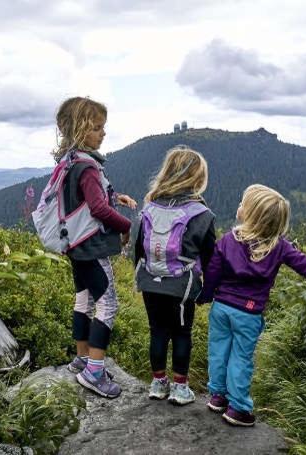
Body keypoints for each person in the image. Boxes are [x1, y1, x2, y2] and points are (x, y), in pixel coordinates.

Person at [198, 184, 306, 426]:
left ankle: (218, 397)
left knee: (218, 351)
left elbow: (213, 272)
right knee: (241, 358)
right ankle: (237, 408)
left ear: (249, 214)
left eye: (242, 204)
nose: (238, 206)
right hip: (248, 313)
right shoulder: (279, 247)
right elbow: (305, 265)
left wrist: (205, 296)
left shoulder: (228, 240)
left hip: (221, 308)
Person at [54, 97, 137, 398]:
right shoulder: (88, 167)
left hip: (75, 245)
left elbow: (84, 200)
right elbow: (98, 209)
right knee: (108, 304)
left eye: (103, 128)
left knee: (83, 299)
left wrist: (119, 197)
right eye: (97, 128)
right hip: (92, 247)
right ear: (79, 130)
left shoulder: (69, 161)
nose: (103, 134)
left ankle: (82, 358)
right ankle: (94, 372)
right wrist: (126, 227)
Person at [133, 145, 215, 405]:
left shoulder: (150, 207)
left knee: (157, 331)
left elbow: (138, 249)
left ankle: (158, 384)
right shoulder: (201, 214)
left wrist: (143, 276)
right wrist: (208, 290)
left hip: (150, 280)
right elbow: (211, 257)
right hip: (182, 285)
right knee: (182, 333)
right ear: (197, 178)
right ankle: (180, 389)